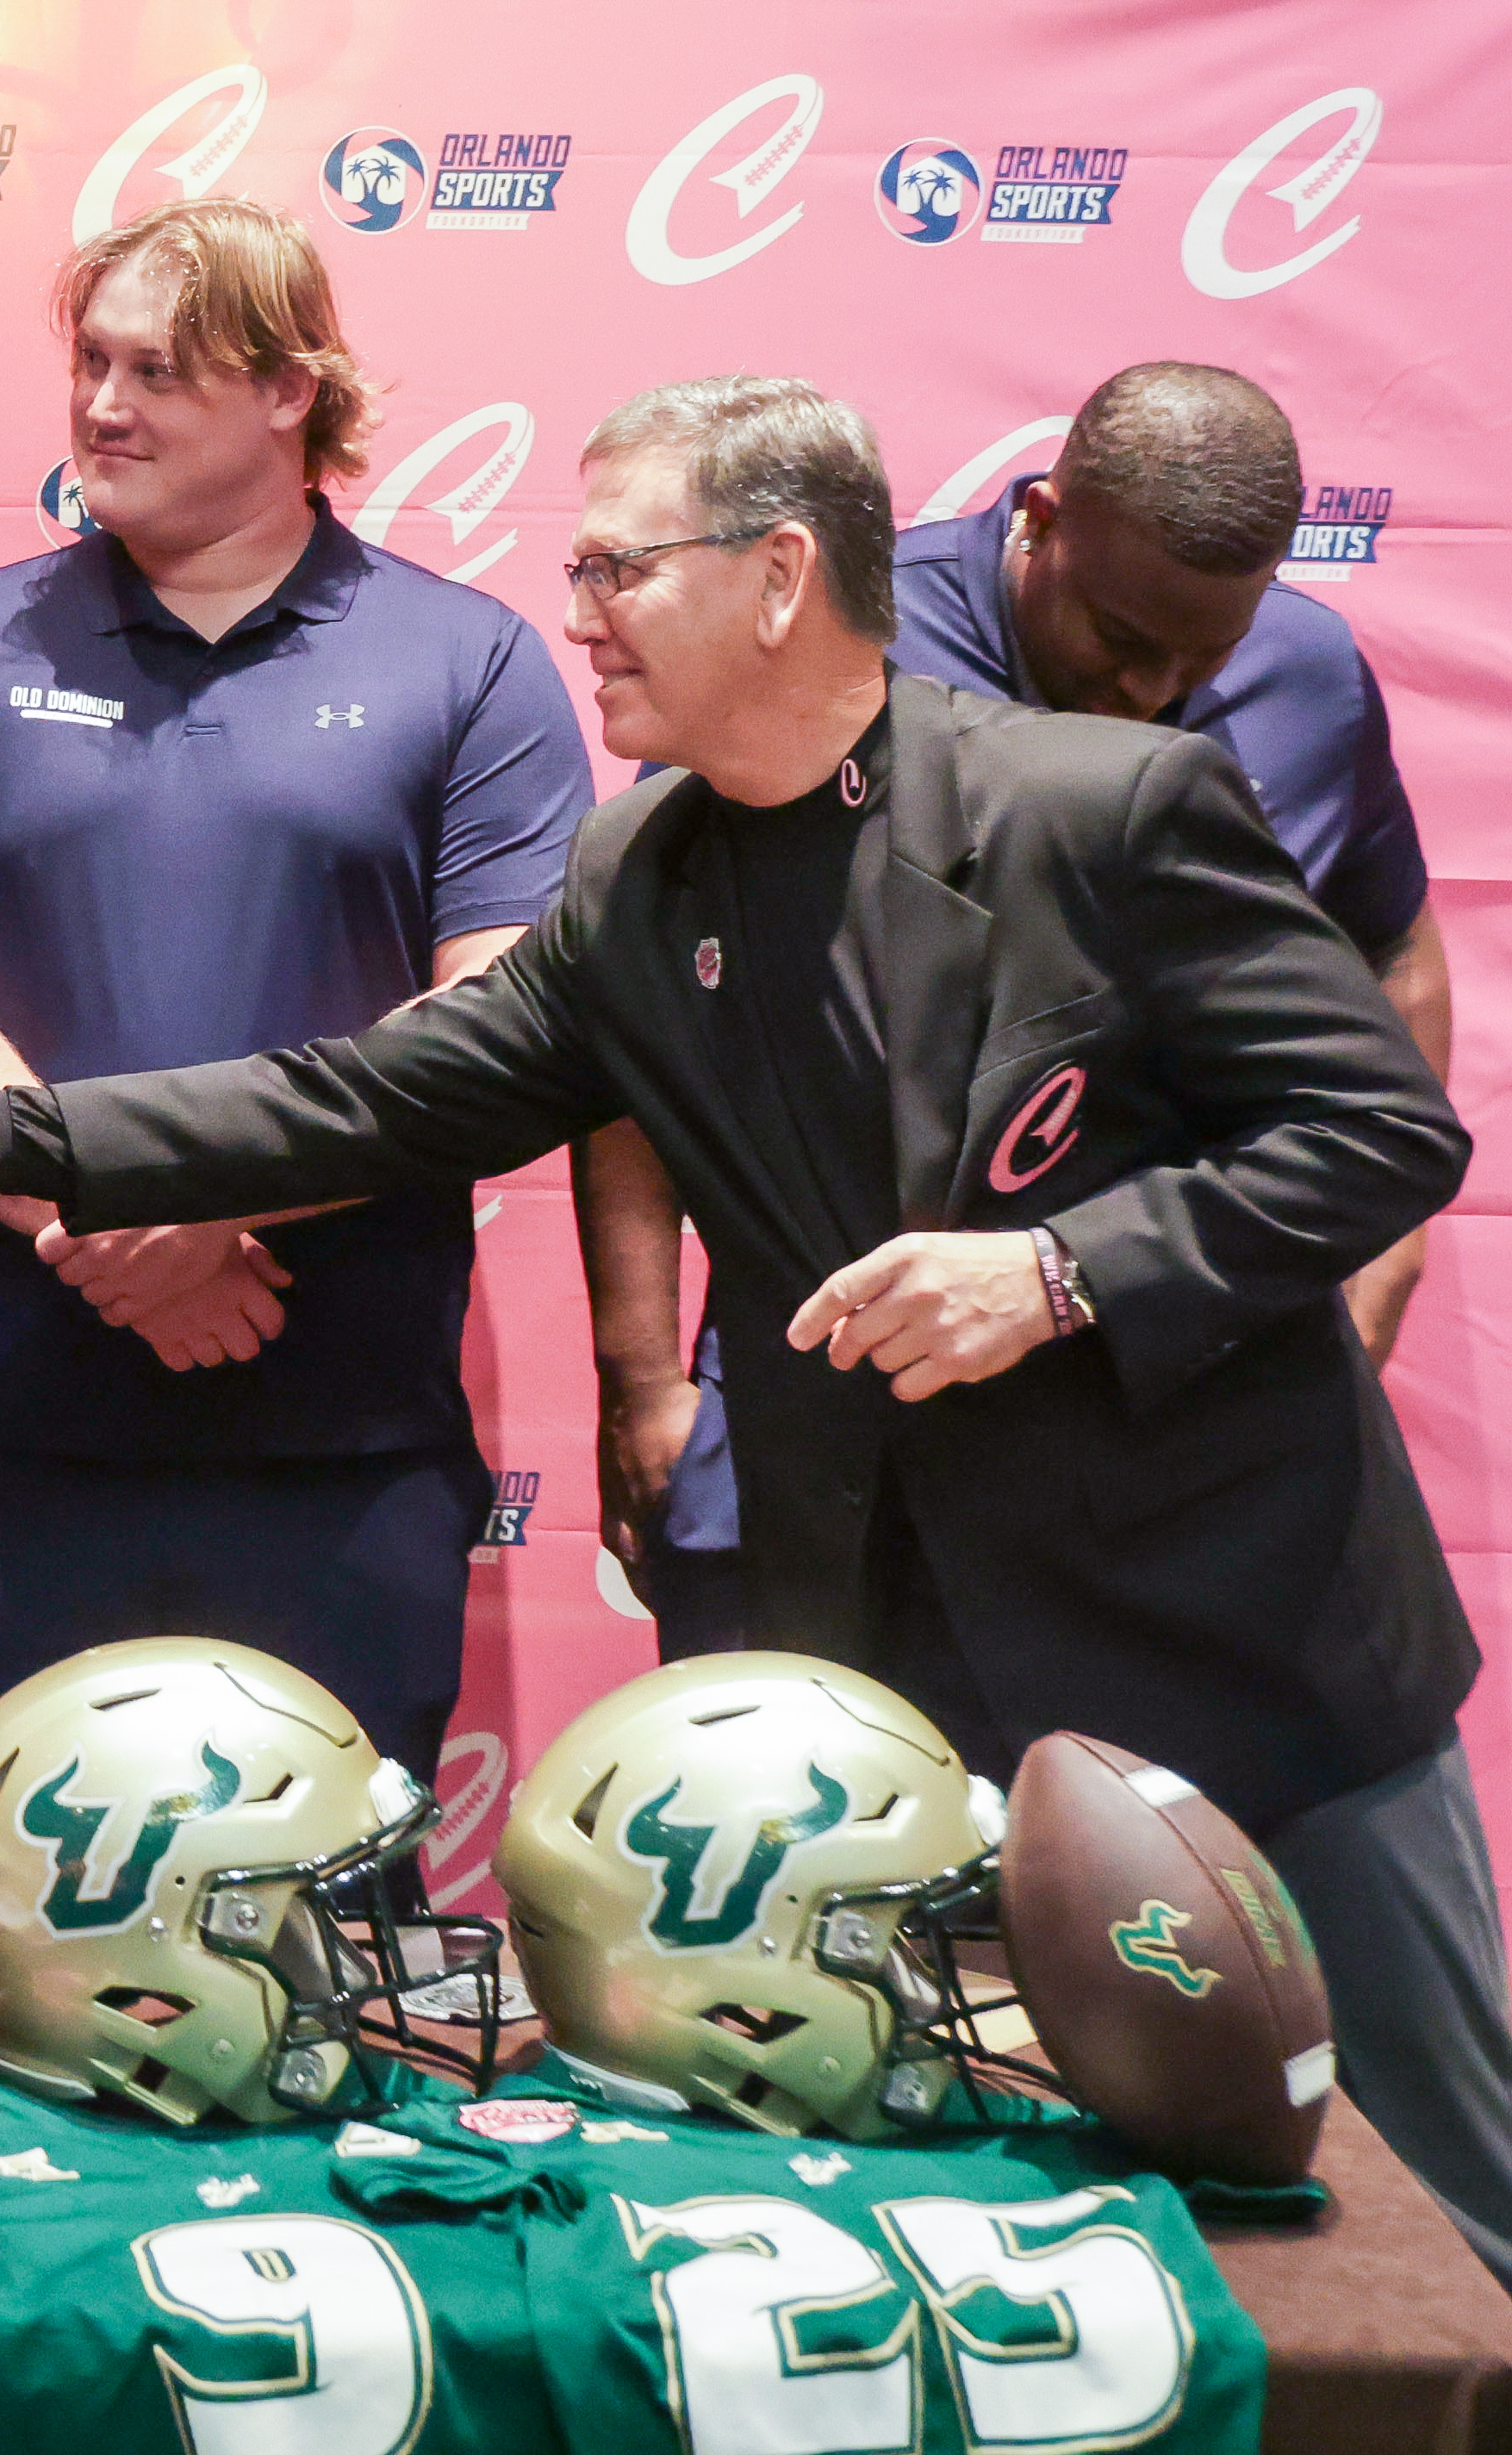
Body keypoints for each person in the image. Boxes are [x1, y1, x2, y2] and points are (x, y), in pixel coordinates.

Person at [0, 377, 1512, 2282]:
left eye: (614, 564)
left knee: (1437, 2196)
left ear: (772, 577)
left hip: (1233, 1635)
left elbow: (1377, 1131)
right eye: (571, 563)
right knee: (1000, 2211)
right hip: (903, 1690)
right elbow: (359, 1102)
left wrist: (1057, 1268)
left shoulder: (1099, 806)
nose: (572, 606)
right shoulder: (635, 877)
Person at [0, 197, 587, 1775]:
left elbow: (501, 1027)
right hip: (11, 1441)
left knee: (320, 1959)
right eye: (90, 360)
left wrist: (210, 1202)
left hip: (344, 1447)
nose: (101, 404)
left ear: (292, 391)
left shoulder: (471, 662)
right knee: (7, 1950)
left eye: (155, 369)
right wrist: (99, 1215)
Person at [580, 363, 1449, 1651]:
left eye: (1203, 655)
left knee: (1165, 1846)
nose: (1154, 689)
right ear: (1038, 520)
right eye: (1118, 637)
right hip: (846, 1401)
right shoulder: (841, 649)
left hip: (1179, 1415)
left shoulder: (1309, 673)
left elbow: (1397, 953)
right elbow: (651, 1013)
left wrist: (1378, 1258)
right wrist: (644, 1370)